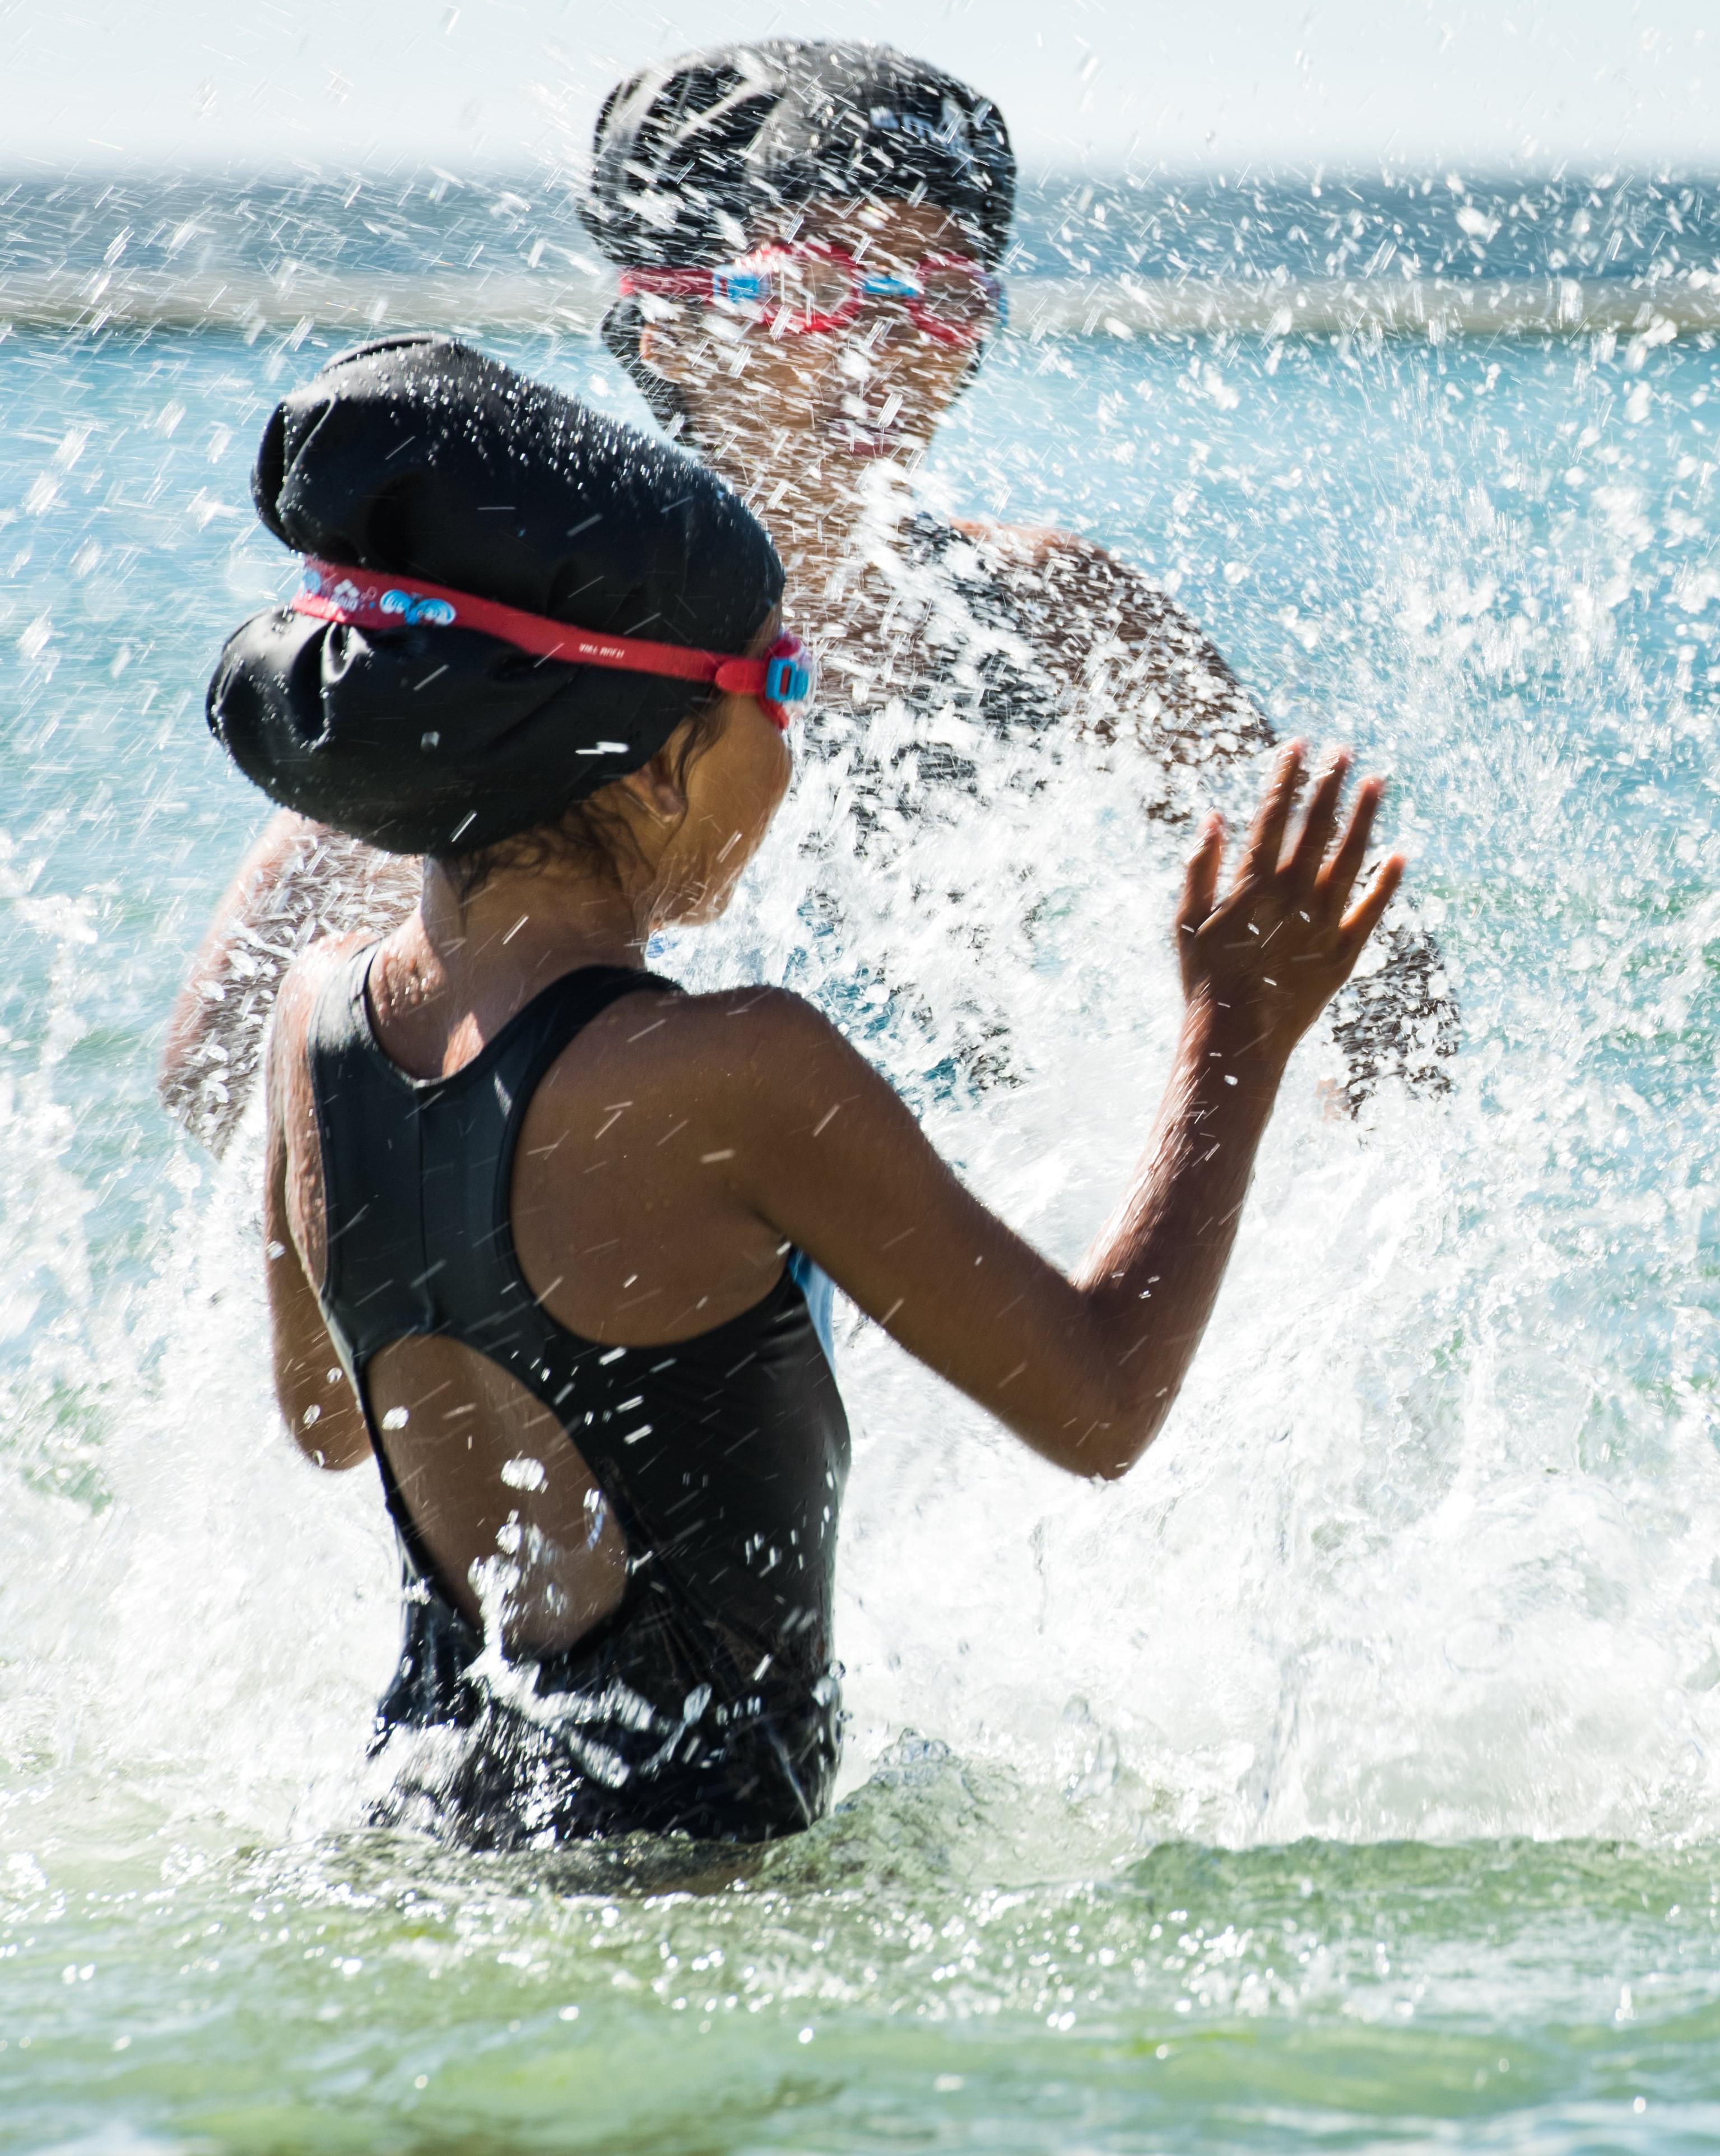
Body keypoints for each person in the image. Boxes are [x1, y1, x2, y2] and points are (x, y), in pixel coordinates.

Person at [219, 332, 1403, 1847]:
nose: (805, 737)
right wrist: (1233, 1032)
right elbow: (1101, 1405)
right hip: (685, 1914)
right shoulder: (730, 1069)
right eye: (780, 685)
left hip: (418, 1844)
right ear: (653, 765)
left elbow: (330, 1421)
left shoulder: (314, 1018)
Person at [160, 39, 1452, 1150]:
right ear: (669, 324)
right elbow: (221, 1062)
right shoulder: (524, 643)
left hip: (984, 1292)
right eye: (818, 290)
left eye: (938, 299)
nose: (881, 348)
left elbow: (1363, 954)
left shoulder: (1061, 618)